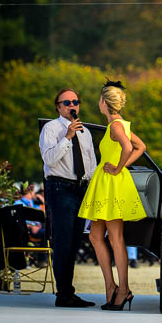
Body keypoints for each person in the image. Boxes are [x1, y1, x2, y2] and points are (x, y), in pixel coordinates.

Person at [78, 80, 147, 311]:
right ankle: (111, 287)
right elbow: (141, 147)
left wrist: (119, 168)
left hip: (111, 183)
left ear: (104, 103)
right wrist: (122, 166)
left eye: (99, 99)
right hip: (106, 183)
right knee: (96, 236)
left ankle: (123, 290)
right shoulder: (120, 125)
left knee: (116, 239)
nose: (98, 103)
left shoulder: (115, 126)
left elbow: (129, 148)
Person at [39, 88, 97, 307]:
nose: (73, 105)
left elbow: (90, 163)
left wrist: (91, 186)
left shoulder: (86, 131)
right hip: (60, 187)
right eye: (67, 102)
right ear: (58, 106)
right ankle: (63, 295)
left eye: (76, 101)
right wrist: (67, 137)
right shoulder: (51, 129)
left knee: (74, 241)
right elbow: (49, 159)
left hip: (81, 189)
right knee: (63, 241)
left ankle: (68, 292)